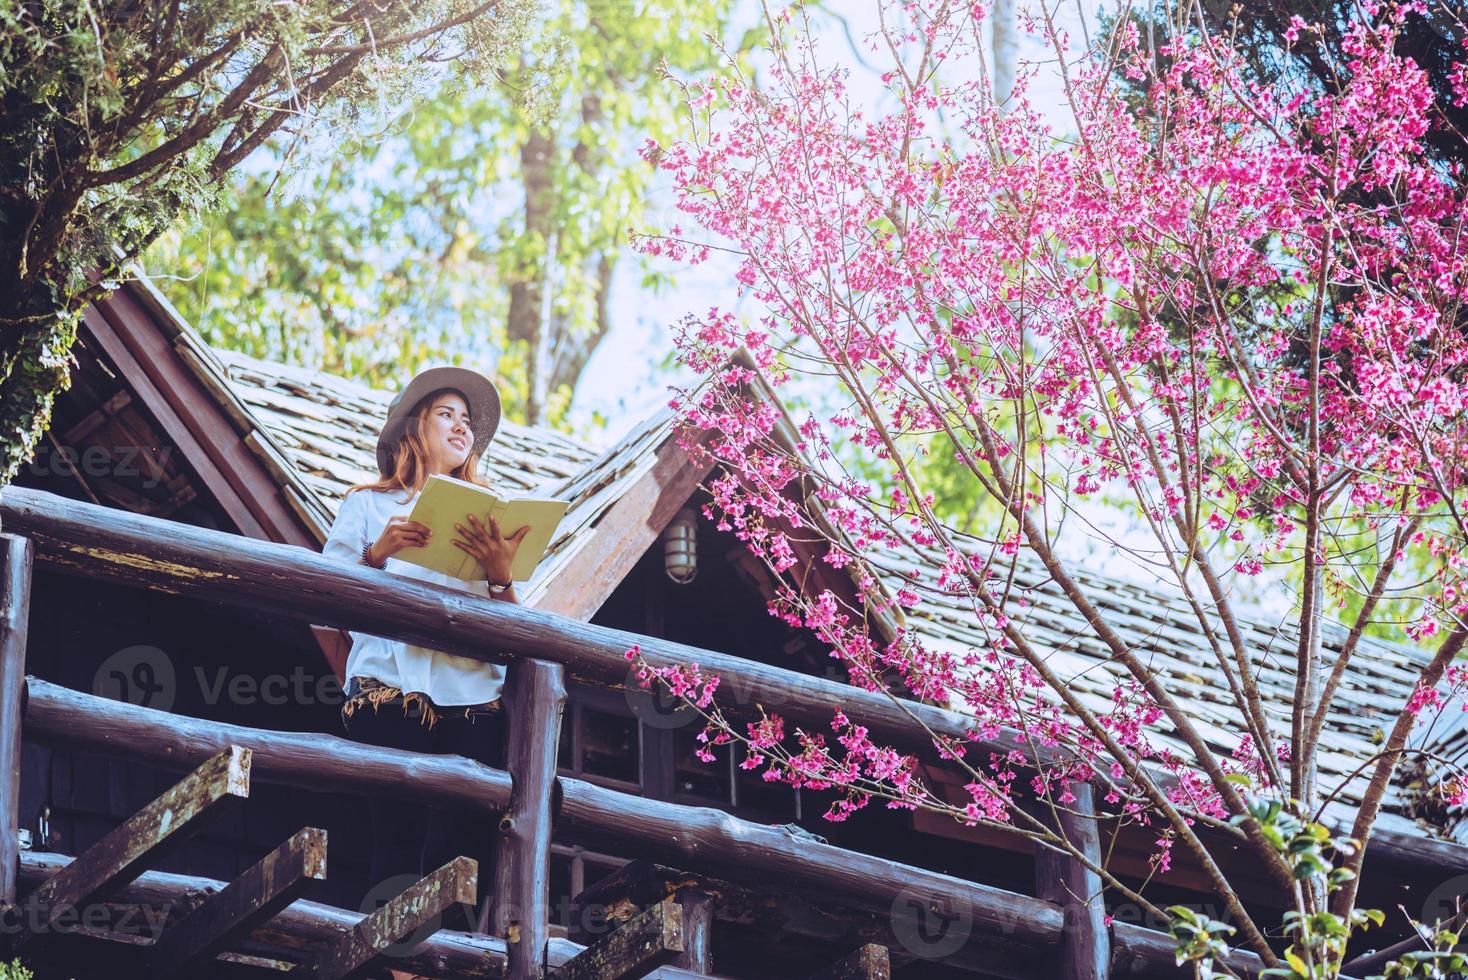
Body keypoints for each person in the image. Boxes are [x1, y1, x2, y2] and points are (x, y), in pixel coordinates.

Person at [322, 365, 529, 925]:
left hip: (471, 704)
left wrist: (500, 574)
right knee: (399, 839)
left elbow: (521, 631)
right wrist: (376, 555)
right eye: (447, 414)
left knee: (466, 851)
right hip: (388, 694)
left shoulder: (493, 520)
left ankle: (454, 962)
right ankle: (396, 963)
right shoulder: (366, 506)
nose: (461, 427)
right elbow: (321, 601)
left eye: (468, 421)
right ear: (416, 427)